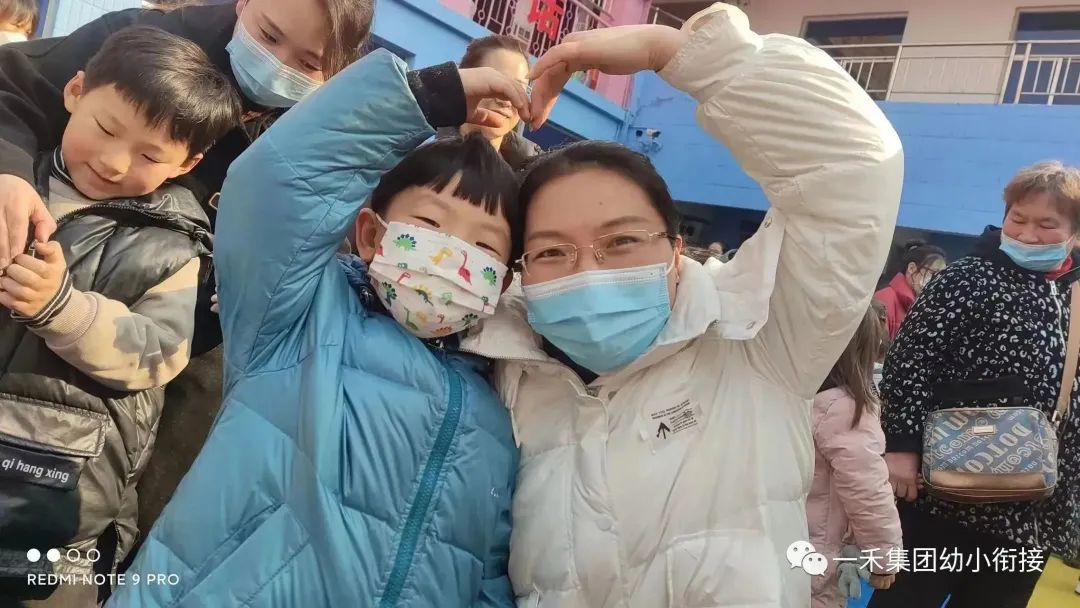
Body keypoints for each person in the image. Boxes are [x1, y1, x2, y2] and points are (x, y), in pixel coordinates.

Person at [458, 4, 903, 606]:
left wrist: (678, 54)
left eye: (621, 241)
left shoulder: (759, 339)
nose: (589, 271)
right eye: (552, 251)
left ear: (674, 250)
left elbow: (855, 167)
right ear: (521, 269)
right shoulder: (506, 370)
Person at [111, 50, 532, 606]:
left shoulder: (497, 418)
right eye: (431, 224)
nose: (450, 255)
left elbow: (488, 574)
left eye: (482, 246)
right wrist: (427, 96)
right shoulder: (297, 315)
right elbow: (276, 183)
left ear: (502, 283)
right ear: (370, 235)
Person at [0, 0, 374, 560]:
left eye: (308, 63)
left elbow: (316, 238)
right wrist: (8, 172)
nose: (277, 64)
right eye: (269, 34)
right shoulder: (142, 38)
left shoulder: (323, 133)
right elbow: (14, 87)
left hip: (178, 355)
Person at [0, 25, 241, 607]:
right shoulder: (12, 185)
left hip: (62, 505)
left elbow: (158, 352)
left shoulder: (174, 249)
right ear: (74, 91)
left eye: (150, 155)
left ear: (189, 162)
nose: (112, 161)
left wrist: (62, 309)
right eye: (107, 129)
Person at [874, 161, 1080, 608]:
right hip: (945, 488)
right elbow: (909, 364)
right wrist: (901, 447)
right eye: (1018, 219)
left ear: (1074, 233)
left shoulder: (1075, 295)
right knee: (907, 599)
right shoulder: (965, 278)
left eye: (1047, 224)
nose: (1027, 234)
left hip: (1032, 504)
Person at [806, 301, 902, 608]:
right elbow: (867, 490)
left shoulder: (792, 398)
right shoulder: (846, 409)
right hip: (818, 558)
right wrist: (884, 558)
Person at [437, 34, 540, 171]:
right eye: (495, 83)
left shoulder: (533, 174)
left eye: (518, 87)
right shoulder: (419, 147)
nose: (506, 100)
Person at [873, 240, 946, 340]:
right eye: (934, 274)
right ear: (911, 268)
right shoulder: (884, 299)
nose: (937, 282)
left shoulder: (926, 308)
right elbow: (874, 346)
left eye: (942, 277)